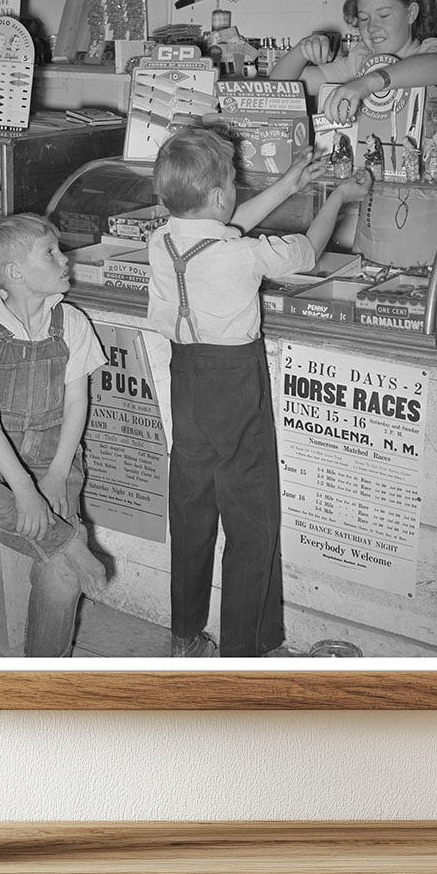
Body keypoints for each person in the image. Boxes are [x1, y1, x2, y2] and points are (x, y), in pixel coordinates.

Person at [146, 127, 370, 658]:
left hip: (186, 382)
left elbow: (222, 226)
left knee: (192, 511)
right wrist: (338, 197)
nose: (236, 192)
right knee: (251, 520)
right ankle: (244, 652)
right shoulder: (243, 255)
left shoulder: (162, 240)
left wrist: (290, 184)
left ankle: (185, 638)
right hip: (235, 386)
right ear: (219, 195)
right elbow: (308, 252)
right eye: (232, 183)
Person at [0, 213, 108, 657]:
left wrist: (54, 476)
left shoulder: (72, 323)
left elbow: (76, 405)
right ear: (15, 273)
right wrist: (24, 491)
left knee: (63, 578)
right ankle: (70, 541)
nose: (64, 258)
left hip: (55, 459)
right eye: (50, 252)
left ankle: (41, 677)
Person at [269, 0, 437, 124]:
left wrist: (368, 84)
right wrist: (302, 50)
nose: (372, 27)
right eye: (364, 18)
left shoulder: (432, 50)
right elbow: (279, 87)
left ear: (411, 13)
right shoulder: (360, 60)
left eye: (384, 15)